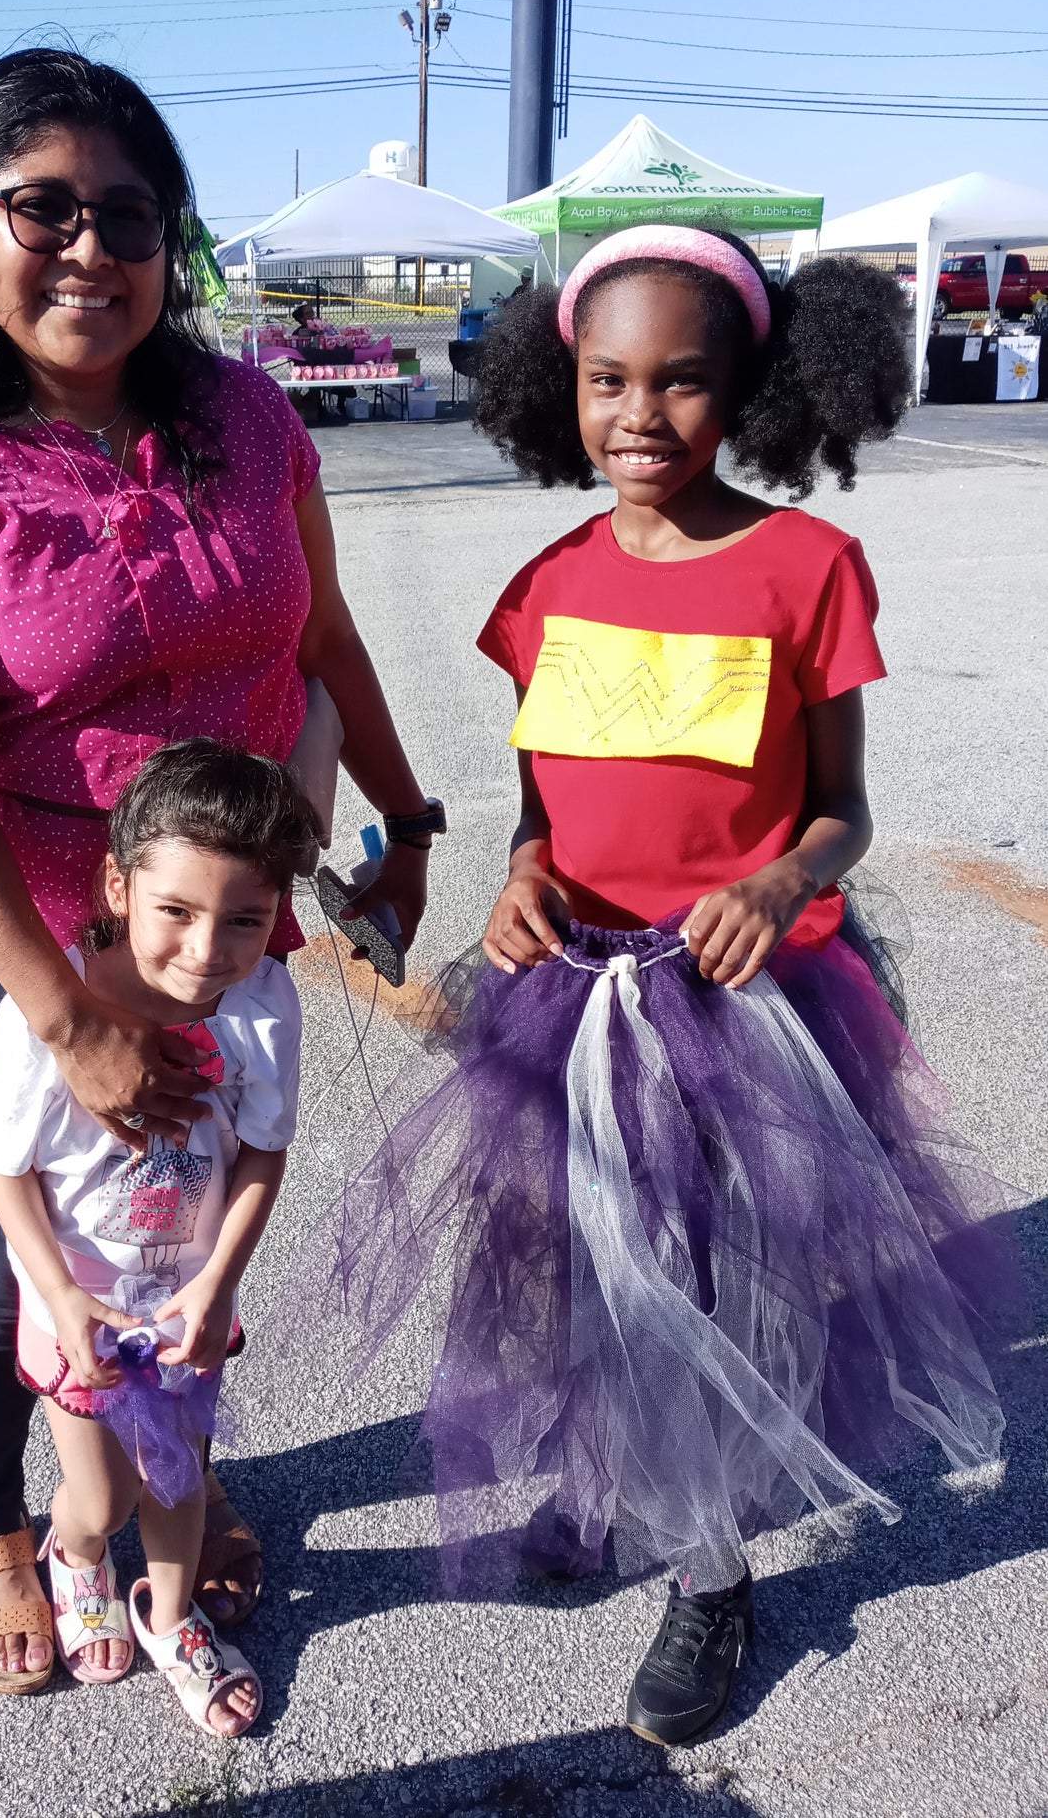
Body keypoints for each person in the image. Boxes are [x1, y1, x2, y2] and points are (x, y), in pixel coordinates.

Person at [278, 226, 1013, 1746]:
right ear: (561, 383)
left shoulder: (805, 569)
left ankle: (709, 1564)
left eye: (682, 381)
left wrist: (781, 877)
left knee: (717, 1280)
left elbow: (840, 808)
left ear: (752, 382)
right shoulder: (547, 581)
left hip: (742, 999)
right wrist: (523, 871)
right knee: (593, 1262)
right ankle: (626, 1478)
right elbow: (547, 800)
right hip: (577, 991)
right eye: (606, 378)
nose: (639, 414)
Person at [0, 47, 440, 1694]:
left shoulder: (243, 415)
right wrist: (59, 1005)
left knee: (179, 1227)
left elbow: (321, 636)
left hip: (223, 930)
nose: (90, 246)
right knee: (11, 1242)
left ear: (174, 244)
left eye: (128, 213)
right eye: (44, 207)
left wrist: (407, 814)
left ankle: (167, 1469)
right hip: (36, 937)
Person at [0, 741, 315, 1735]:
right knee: (105, 1494)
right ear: (118, 886)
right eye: (176, 910)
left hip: (185, 1307)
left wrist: (217, 1281)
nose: (209, 948)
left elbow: (261, 1153)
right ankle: (76, 1556)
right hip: (77, 1312)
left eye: (245, 918)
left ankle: (168, 1618)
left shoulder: (263, 1010)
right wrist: (60, 1295)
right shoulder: (50, 1016)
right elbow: (6, 1170)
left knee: (178, 1478)